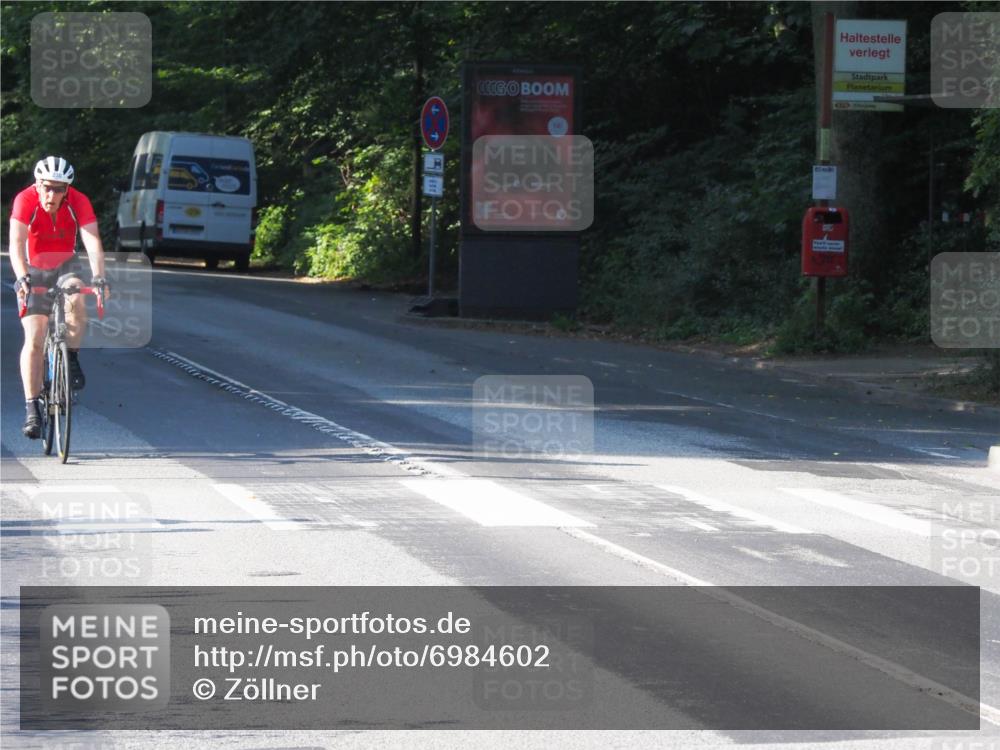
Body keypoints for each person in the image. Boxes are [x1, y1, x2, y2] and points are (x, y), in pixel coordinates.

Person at [10, 156, 108, 439]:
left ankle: (71, 358)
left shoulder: (79, 201)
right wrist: (22, 277)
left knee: (76, 296)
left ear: (67, 189)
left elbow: (92, 240)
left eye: (59, 189)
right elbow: (16, 243)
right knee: (35, 337)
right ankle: (32, 408)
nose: (51, 194)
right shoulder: (24, 200)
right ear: (37, 184)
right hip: (33, 268)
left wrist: (99, 277)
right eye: (47, 187)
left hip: (66, 265)